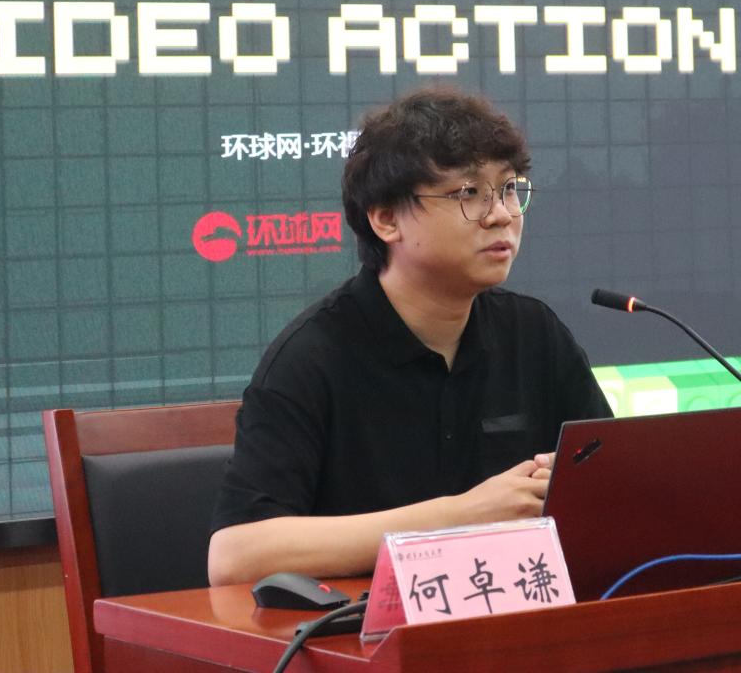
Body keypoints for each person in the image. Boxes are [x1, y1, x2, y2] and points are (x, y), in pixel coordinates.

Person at [207, 86, 612, 586]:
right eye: (468, 194)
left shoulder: (534, 334)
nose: (502, 215)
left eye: (509, 189)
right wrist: (459, 516)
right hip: (366, 627)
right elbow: (234, 556)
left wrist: (569, 484)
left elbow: (614, 487)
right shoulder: (311, 358)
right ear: (385, 219)